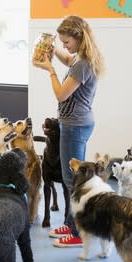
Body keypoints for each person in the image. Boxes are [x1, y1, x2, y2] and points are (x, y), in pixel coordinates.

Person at [32, 15, 104, 248]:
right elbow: (67, 59)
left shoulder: (83, 64)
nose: (64, 46)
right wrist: (50, 49)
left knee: (73, 180)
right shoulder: (81, 58)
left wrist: (49, 70)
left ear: (79, 38)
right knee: (69, 178)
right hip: (74, 123)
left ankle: (76, 231)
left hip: (75, 126)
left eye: (67, 42)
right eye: (61, 42)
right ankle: (69, 222)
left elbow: (61, 94)